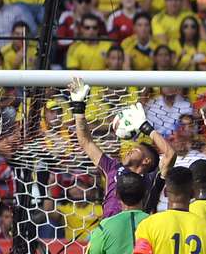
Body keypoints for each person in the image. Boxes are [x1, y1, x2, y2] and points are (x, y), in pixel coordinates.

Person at [69, 76, 176, 217]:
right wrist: (79, 108)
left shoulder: (151, 180)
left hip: (137, 233)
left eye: (135, 149)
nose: (129, 150)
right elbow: (86, 142)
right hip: (110, 227)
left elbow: (170, 154)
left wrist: (145, 127)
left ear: (146, 161)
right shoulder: (112, 167)